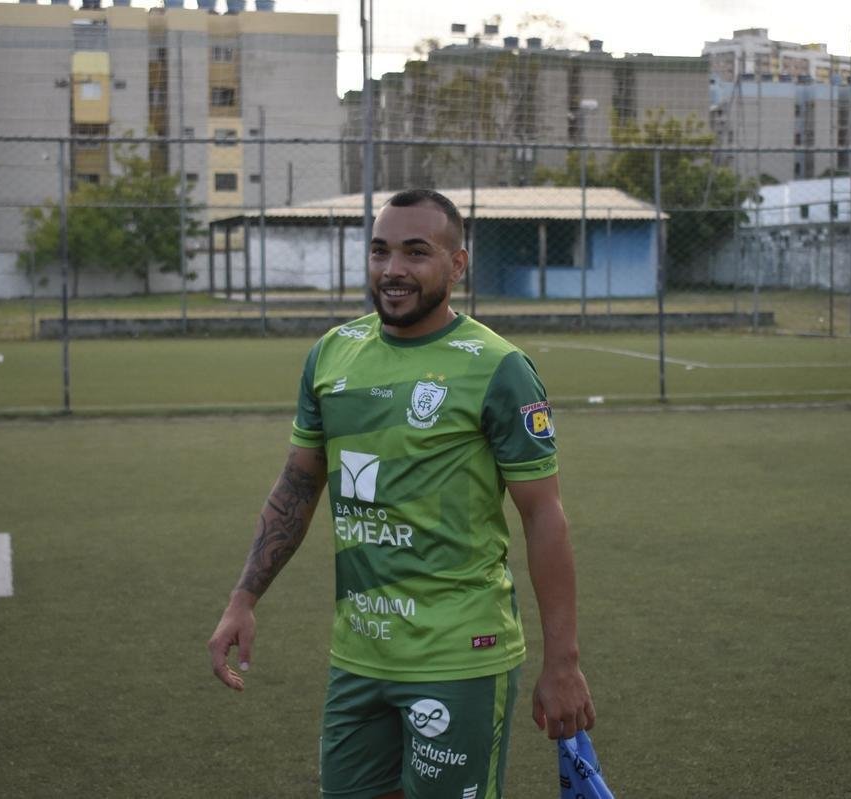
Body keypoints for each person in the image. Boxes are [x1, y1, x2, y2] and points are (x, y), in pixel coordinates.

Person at [208, 188, 595, 799]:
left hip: (460, 656)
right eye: (380, 251)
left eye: (417, 253)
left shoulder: (499, 368)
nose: (393, 270)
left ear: (457, 265)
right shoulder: (332, 356)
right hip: (359, 657)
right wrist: (244, 596)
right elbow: (299, 484)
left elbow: (544, 517)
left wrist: (563, 661)